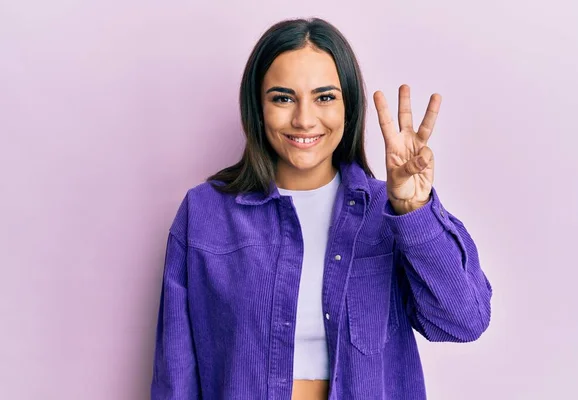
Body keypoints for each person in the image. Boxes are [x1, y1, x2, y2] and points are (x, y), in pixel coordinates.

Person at [150, 17, 492, 400]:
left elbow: (464, 321)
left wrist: (414, 211)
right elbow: (176, 372)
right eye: (282, 98)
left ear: (348, 106)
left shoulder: (388, 212)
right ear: (257, 108)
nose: (304, 119)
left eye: (324, 97)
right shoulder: (205, 213)